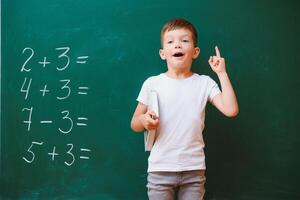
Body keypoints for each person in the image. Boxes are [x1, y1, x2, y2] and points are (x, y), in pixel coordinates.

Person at [130, 18, 239, 200]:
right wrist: (143, 121)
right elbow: (134, 123)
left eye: (184, 41)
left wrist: (221, 73)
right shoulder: (152, 83)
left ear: (195, 52)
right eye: (170, 41)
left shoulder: (204, 83)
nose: (177, 45)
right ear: (163, 53)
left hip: (194, 169)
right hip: (160, 169)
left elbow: (231, 110)